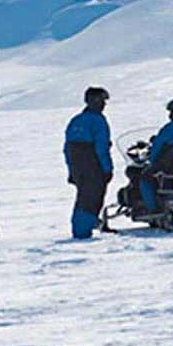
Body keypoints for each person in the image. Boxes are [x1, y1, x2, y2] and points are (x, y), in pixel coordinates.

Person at [63, 86, 113, 239]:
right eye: (102, 100)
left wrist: (72, 171)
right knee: (93, 197)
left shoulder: (75, 121)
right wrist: (107, 169)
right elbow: (101, 147)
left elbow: (67, 149)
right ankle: (84, 230)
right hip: (93, 165)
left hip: (78, 166)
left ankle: (82, 228)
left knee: (83, 197)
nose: (103, 104)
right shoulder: (98, 121)